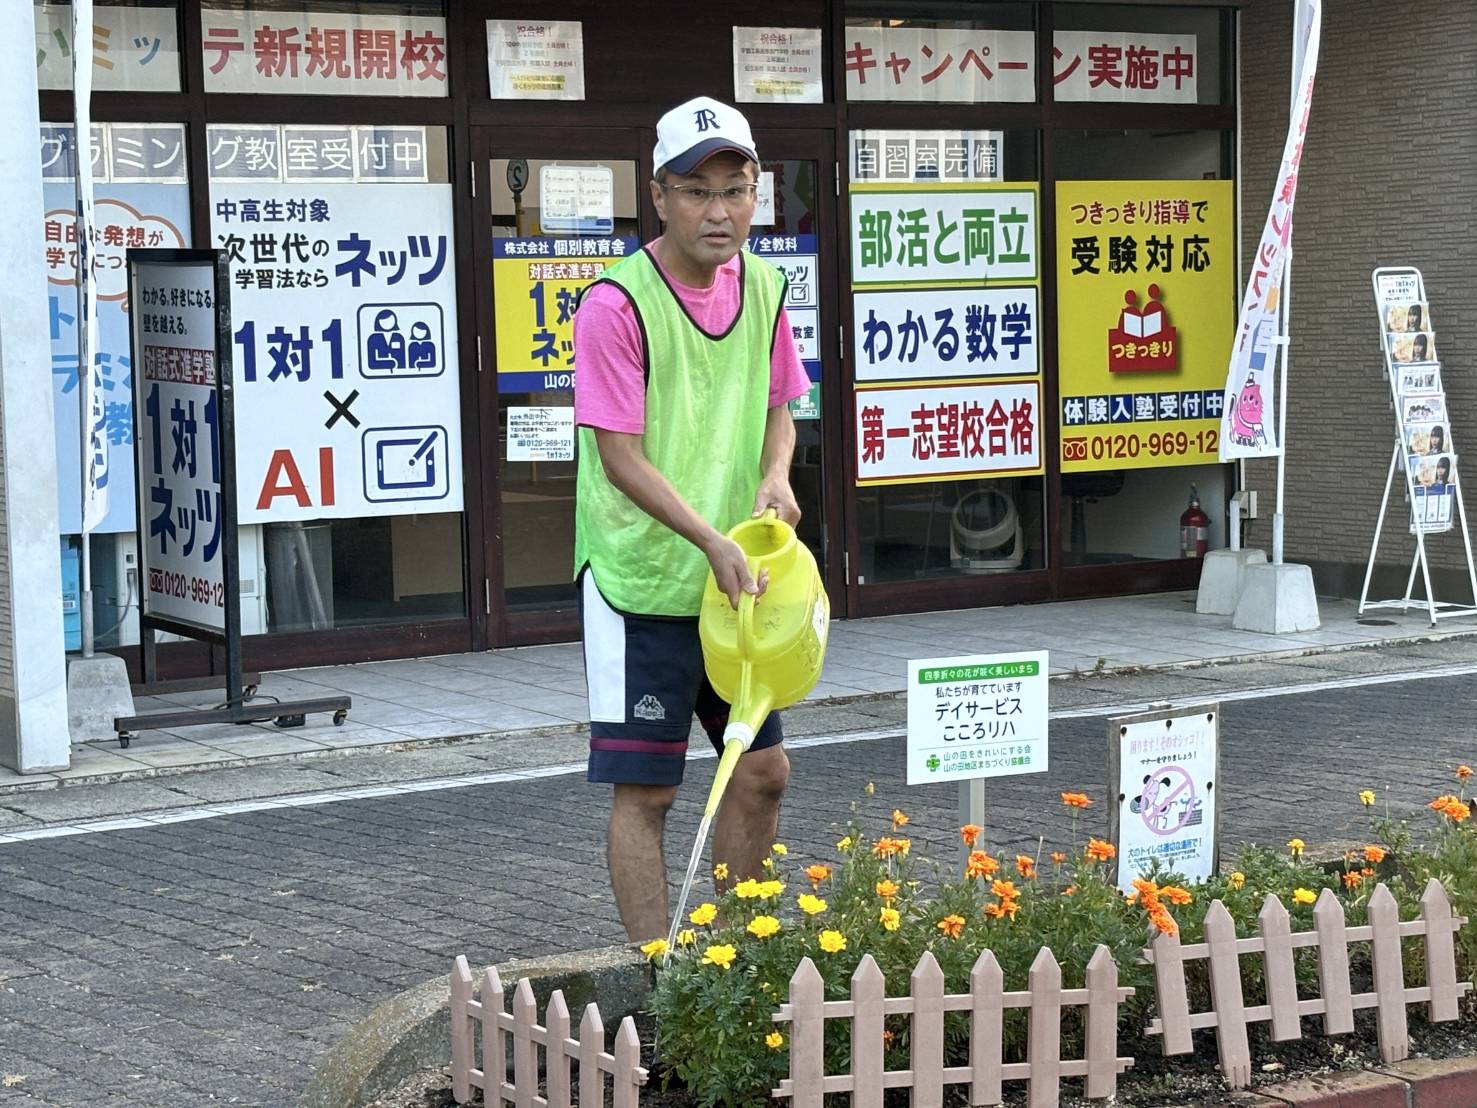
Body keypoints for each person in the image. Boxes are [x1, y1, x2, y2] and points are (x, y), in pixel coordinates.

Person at [571, 97, 811, 942]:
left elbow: (781, 408)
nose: (719, 211)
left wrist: (775, 474)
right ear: (659, 196)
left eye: (735, 190)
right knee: (649, 790)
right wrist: (706, 537)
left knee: (762, 772)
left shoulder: (767, 287)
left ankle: (734, 960)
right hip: (639, 580)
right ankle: (656, 971)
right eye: (697, 190)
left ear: (756, 194)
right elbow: (619, 454)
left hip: (736, 581)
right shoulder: (615, 304)